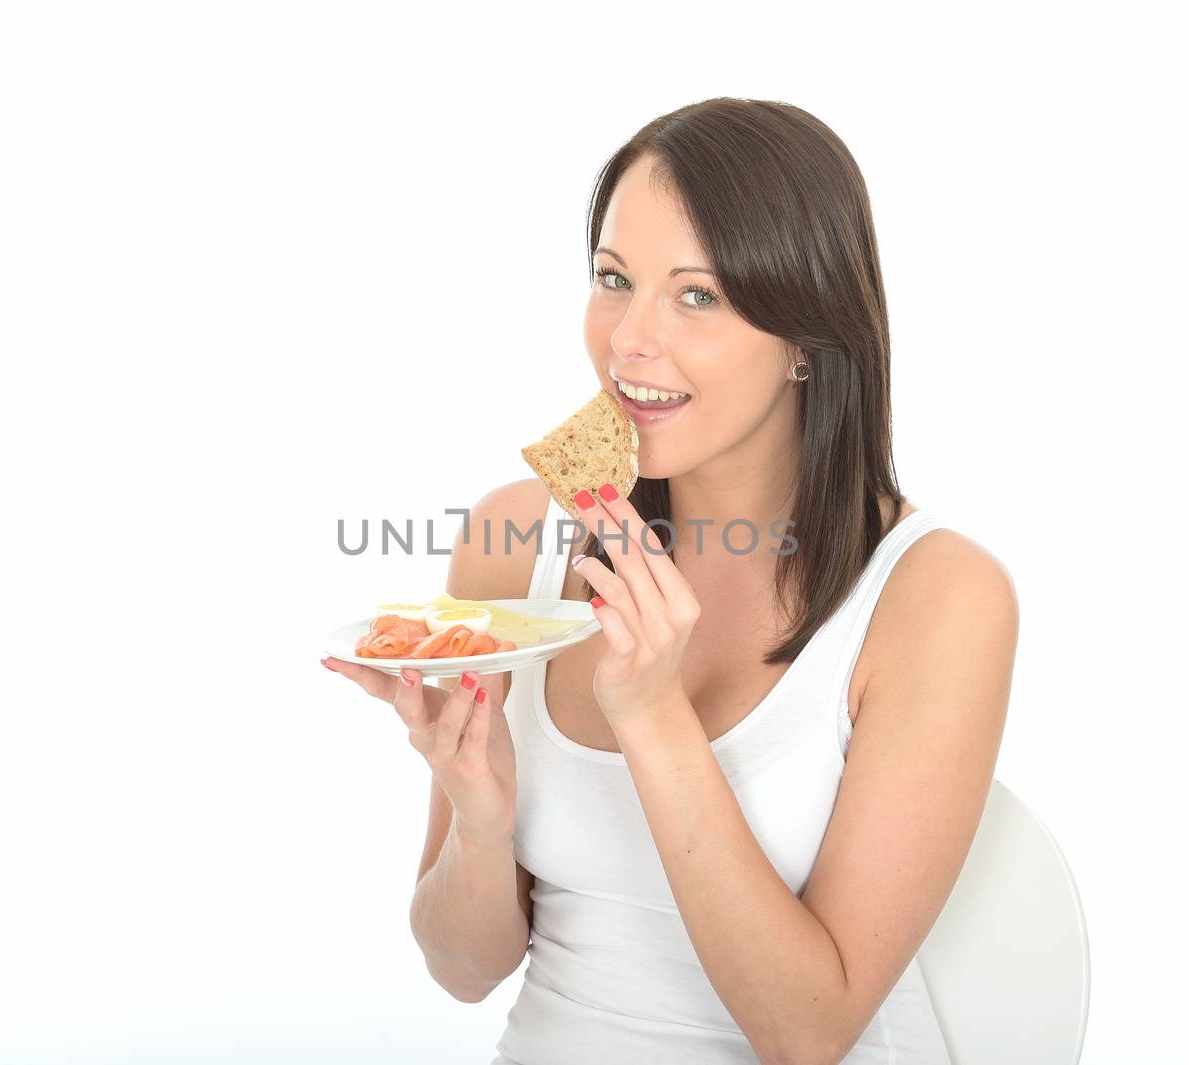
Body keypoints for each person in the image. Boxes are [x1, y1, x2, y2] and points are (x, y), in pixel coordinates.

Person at [322, 96, 1017, 1065]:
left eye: (697, 295)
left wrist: (653, 718)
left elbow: (807, 1032)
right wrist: (479, 820)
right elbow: (462, 968)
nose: (627, 339)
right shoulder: (513, 538)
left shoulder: (939, 598)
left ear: (808, 345)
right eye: (614, 279)